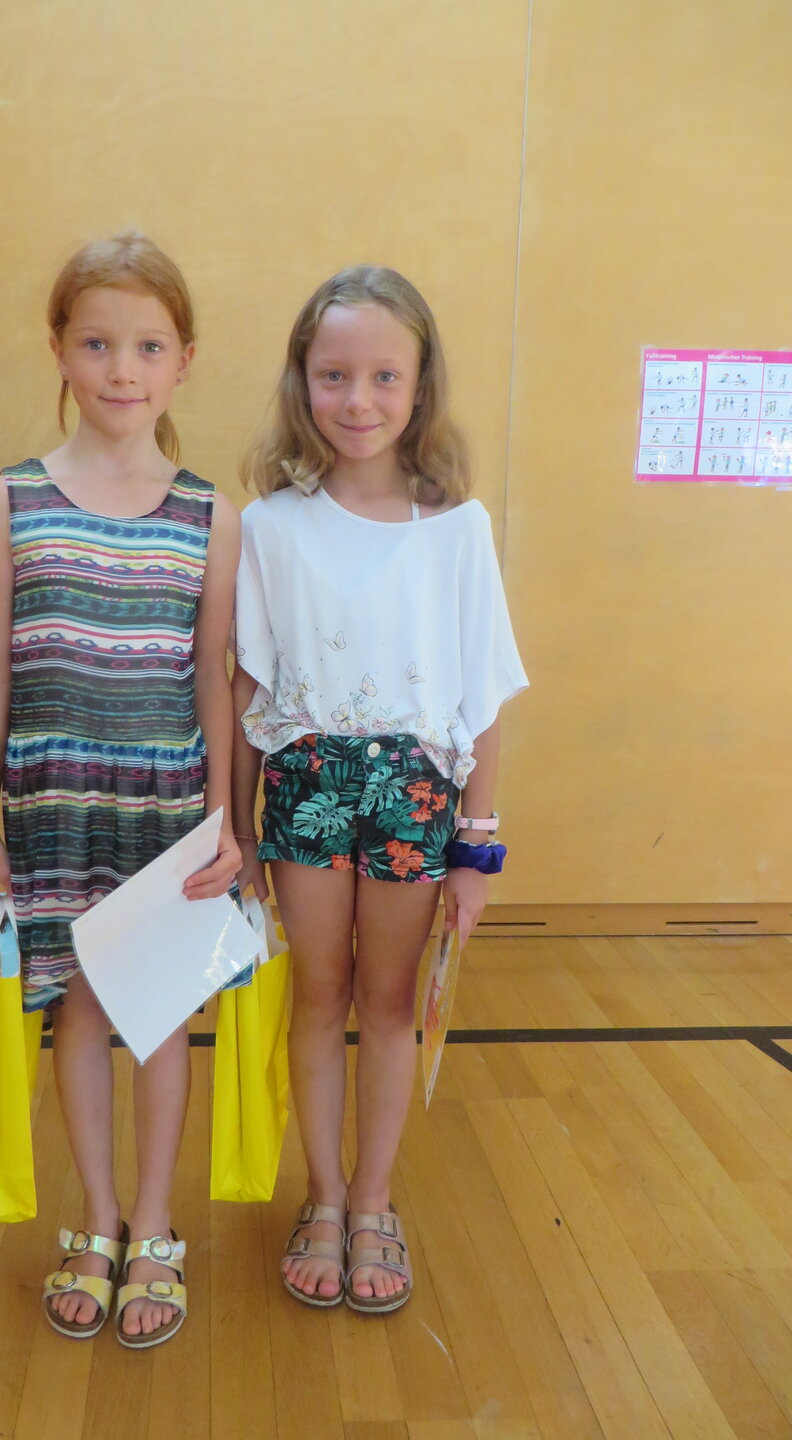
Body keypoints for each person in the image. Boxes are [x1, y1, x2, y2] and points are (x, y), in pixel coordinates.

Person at [0, 232, 240, 1348]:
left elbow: (215, 675)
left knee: (158, 1015)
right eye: (97, 344)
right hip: (52, 803)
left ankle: (155, 1225)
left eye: (149, 347)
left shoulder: (211, 513)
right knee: (77, 1014)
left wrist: (228, 820)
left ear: (184, 360)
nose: (123, 370)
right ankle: (97, 1219)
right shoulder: (9, 500)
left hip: (165, 807)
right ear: (59, 349)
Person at [231, 265, 527, 1314]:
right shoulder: (269, 527)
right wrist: (235, 829)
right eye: (334, 375)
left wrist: (477, 847)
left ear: (419, 384)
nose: (358, 399)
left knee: (389, 1003)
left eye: (384, 376)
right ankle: (321, 1196)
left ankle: (372, 1201)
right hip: (306, 784)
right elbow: (249, 689)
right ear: (302, 381)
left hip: (416, 794)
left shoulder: (459, 529)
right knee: (318, 997)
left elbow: (482, 696)